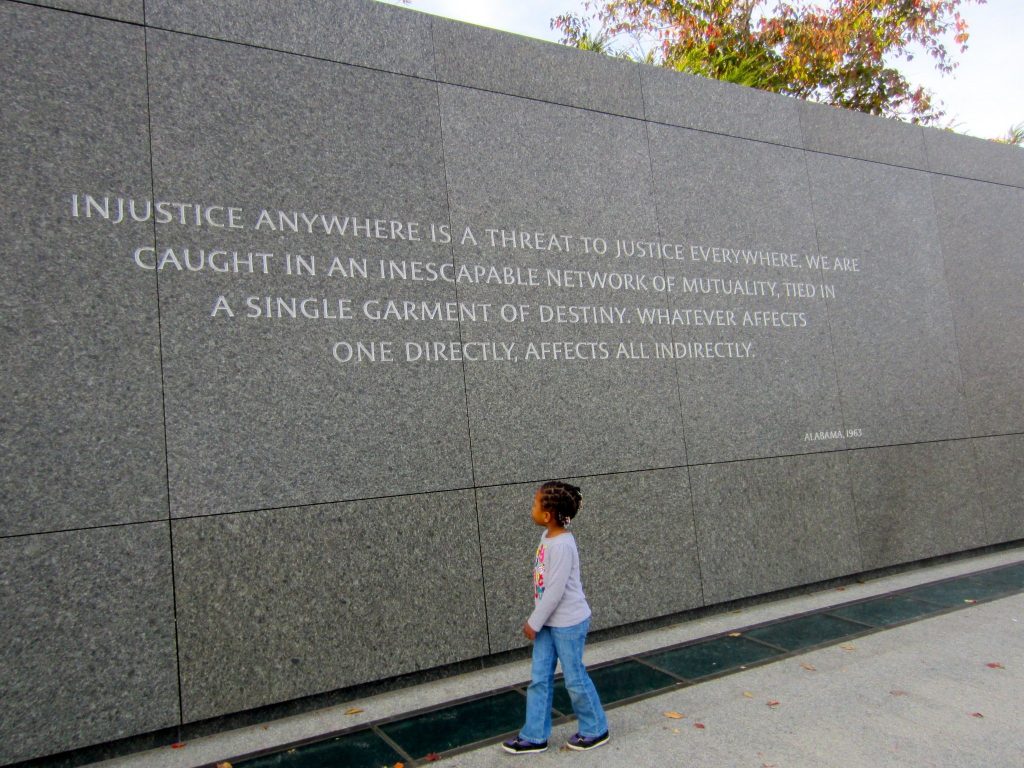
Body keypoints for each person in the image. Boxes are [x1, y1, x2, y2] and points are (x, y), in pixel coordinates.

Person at [501, 481, 610, 754]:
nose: (532, 508)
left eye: (535, 504)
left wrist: (533, 621)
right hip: (549, 621)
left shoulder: (562, 545)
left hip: (569, 623)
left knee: (574, 677)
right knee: (539, 677)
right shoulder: (548, 537)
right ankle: (535, 735)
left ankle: (595, 729)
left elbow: (555, 591)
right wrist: (541, 620)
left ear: (548, 515)